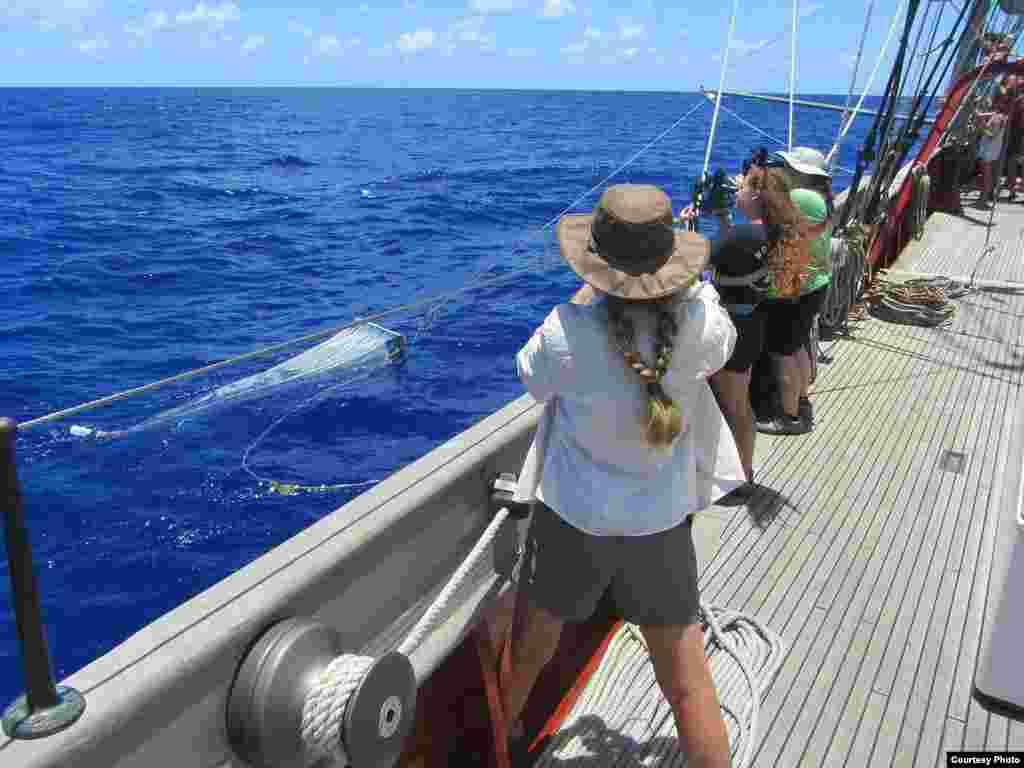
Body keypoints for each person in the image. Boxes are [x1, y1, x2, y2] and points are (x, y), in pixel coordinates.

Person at [501, 184, 746, 768]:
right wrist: (694, 286)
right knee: (687, 683)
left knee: (528, 657)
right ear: (669, 265)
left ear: (597, 267)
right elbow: (721, 334)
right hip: (660, 527)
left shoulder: (566, 332)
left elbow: (529, 376)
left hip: (573, 522)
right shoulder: (701, 327)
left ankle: (501, 745)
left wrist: (587, 296)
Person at [677, 158, 813, 487]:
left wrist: (686, 229)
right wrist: (723, 220)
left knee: (733, 407)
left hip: (731, 332)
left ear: (756, 196)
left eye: (742, 186)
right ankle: (742, 472)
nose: (735, 190)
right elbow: (734, 253)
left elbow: (691, 265)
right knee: (740, 404)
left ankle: (739, 479)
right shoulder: (769, 231)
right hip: (752, 323)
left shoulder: (742, 236)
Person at [755, 148, 834, 433]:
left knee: (782, 354)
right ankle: (800, 402)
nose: (784, 171)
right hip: (814, 283)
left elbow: (763, 214)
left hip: (795, 289)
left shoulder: (801, 197)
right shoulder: (820, 197)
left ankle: (787, 418)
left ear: (801, 173)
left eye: (788, 167)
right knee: (796, 346)